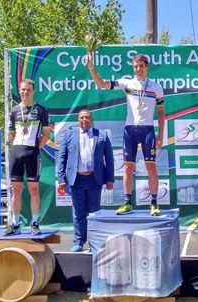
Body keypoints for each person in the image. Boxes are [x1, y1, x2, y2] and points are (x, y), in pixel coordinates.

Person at [87, 51, 165, 216]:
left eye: (141, 66)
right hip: (130, 129)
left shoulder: (156, 88)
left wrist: (160, 135)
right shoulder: (128, 84)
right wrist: (91, 67)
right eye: (135, 67)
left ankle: (154, 202)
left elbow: (161, 114)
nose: (138, 69)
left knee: (151, 166)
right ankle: (127, 202)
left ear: (147, 67)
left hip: (148, 130)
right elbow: (102, 84)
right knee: (128, 167)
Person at [57, 109, 114, 252]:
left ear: (92, 119)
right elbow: (61, 158)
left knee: (94, 213)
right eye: (82, 118)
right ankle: (79, 242)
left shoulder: (102, 135)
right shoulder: (69, 135)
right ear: (78, 120)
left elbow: (109, 159)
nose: (84, 120)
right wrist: (61, 178)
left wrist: (110, 179)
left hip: (95, 179)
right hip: (76, 179)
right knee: (78, 213)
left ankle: (95, 243)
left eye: (87, 117)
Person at [5, 79, 50, 236]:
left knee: (33, 189)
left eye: (28, 90)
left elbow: (46, 134)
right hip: (15, 152)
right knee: (16, 190)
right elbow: (11, 133)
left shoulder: (41, 110)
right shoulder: (14, 111)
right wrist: (9, 141)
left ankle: (35, 223)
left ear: (33, 91)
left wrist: (36, 148)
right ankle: (16, 224)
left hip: (32, 152)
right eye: (22, 89)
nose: (25, 92)